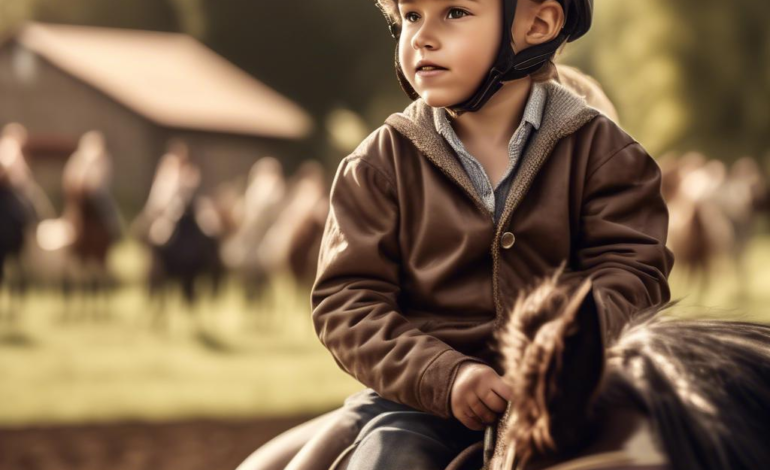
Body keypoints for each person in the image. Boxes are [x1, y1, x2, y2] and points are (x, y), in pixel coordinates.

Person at [237, 0, 674, 468]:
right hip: (418, 404)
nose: (422, 36)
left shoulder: (607, 155)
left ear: (538, 23)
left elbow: (634, 272)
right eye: (410, 16)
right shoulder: (377, 166)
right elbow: (347, 303)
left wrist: (560, 350)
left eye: (454, 12)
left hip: (574, 393)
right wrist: (443, 375)